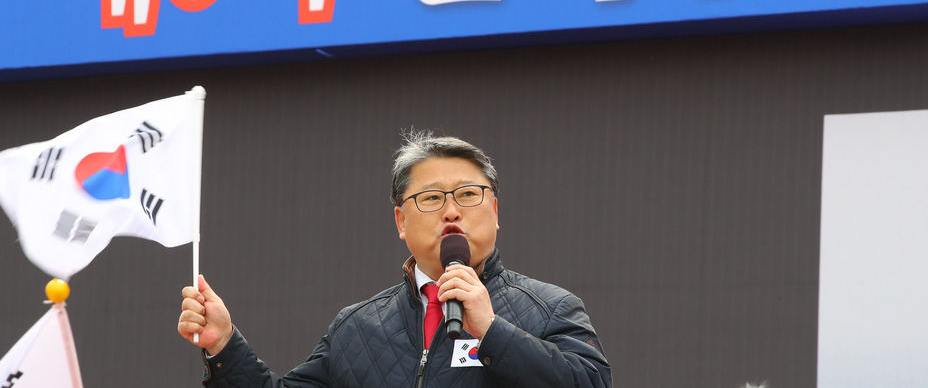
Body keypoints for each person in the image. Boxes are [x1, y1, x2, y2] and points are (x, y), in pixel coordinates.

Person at [177, 131, 612, 387]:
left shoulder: (549, 308)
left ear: (495, 212)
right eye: (432, 198)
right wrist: (223, 345)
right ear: (401, 221)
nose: (452, 210)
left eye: (467, 194)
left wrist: (493, 331)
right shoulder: (357, 327)